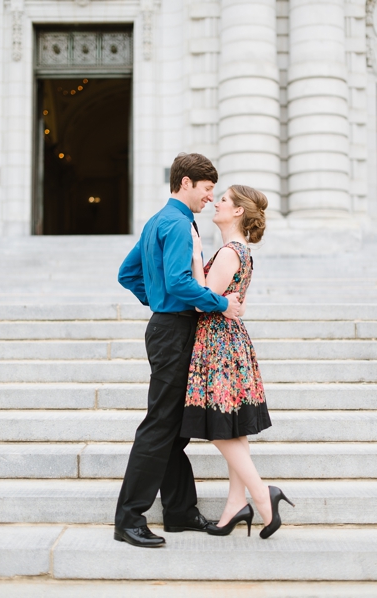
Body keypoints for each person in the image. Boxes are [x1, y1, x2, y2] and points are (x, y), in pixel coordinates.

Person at [114, 152, 242, 548]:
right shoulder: (178, 223)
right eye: (207, 190)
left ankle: (180, 510)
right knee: (160, 427)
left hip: (167, 327)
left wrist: (155, 301)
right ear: (186, 182)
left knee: (172, 430)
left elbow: (127, 273)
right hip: (175, 330)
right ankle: (129, 519)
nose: (210, 198)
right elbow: (179, 280)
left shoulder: (158, 220)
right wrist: (221, 303)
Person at [182, 184, 294, 539]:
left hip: (219, 345)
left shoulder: (230, 252)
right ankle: (235, 504)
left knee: (219, 428)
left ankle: (263, 496)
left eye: (224, 200)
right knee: (233, 428)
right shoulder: (239, 250)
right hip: (229, 343)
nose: (216, 203)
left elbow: (202, 301)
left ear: (238, 212)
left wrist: (196, 255)